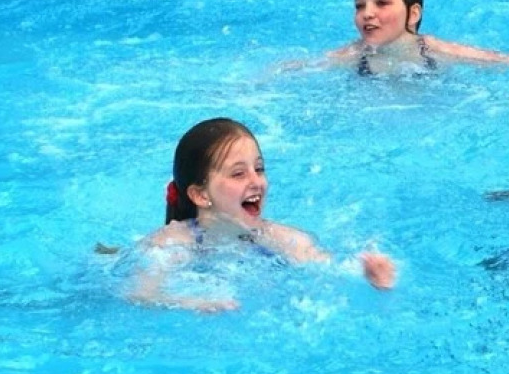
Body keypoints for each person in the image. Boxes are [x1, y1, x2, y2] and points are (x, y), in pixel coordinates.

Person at [130, 117, 396, 311]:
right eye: (238, 173)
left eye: (259, 169)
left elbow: (330, 269)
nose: (256, 181)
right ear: (200, 195)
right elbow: (139, 295)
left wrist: (372, 278)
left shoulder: (283, 239)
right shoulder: (173, 243)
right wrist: (189, 303)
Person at [322, 0, 509, 75]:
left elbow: (498, 60)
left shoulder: (432, 48)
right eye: (359, 5)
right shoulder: (353, 55)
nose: (367, 13)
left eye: (382, 3)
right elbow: (309, 67)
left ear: (413, 14)